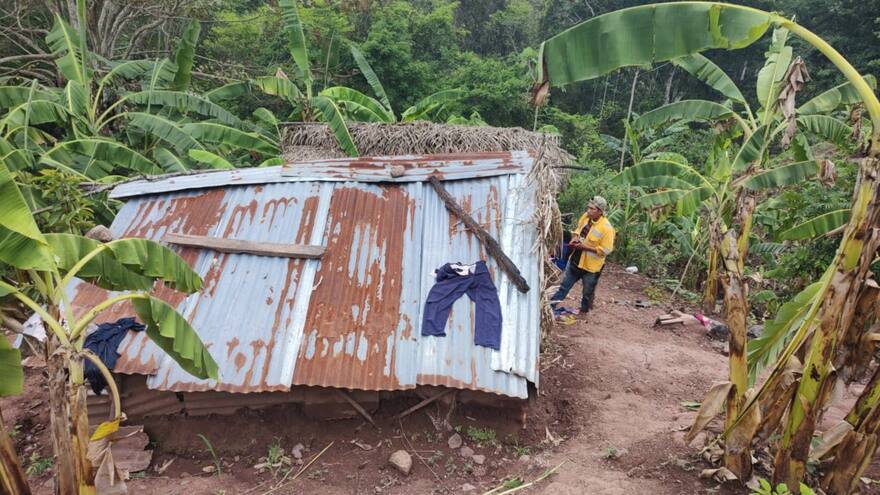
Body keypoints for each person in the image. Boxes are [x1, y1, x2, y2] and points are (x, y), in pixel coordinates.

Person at [551, 196, 615, 316]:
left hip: (591, 268)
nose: (589, 210)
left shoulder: (607, 229)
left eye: (592, 209)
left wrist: (585, 247)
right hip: (576, 260)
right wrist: (574, 239)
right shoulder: (586, 217)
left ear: (600, 211)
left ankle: (584, 311)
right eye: (588, 208)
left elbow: (606, 250)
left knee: (587, 292)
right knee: (564, 286)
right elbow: (578, 230)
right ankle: (551, 305)